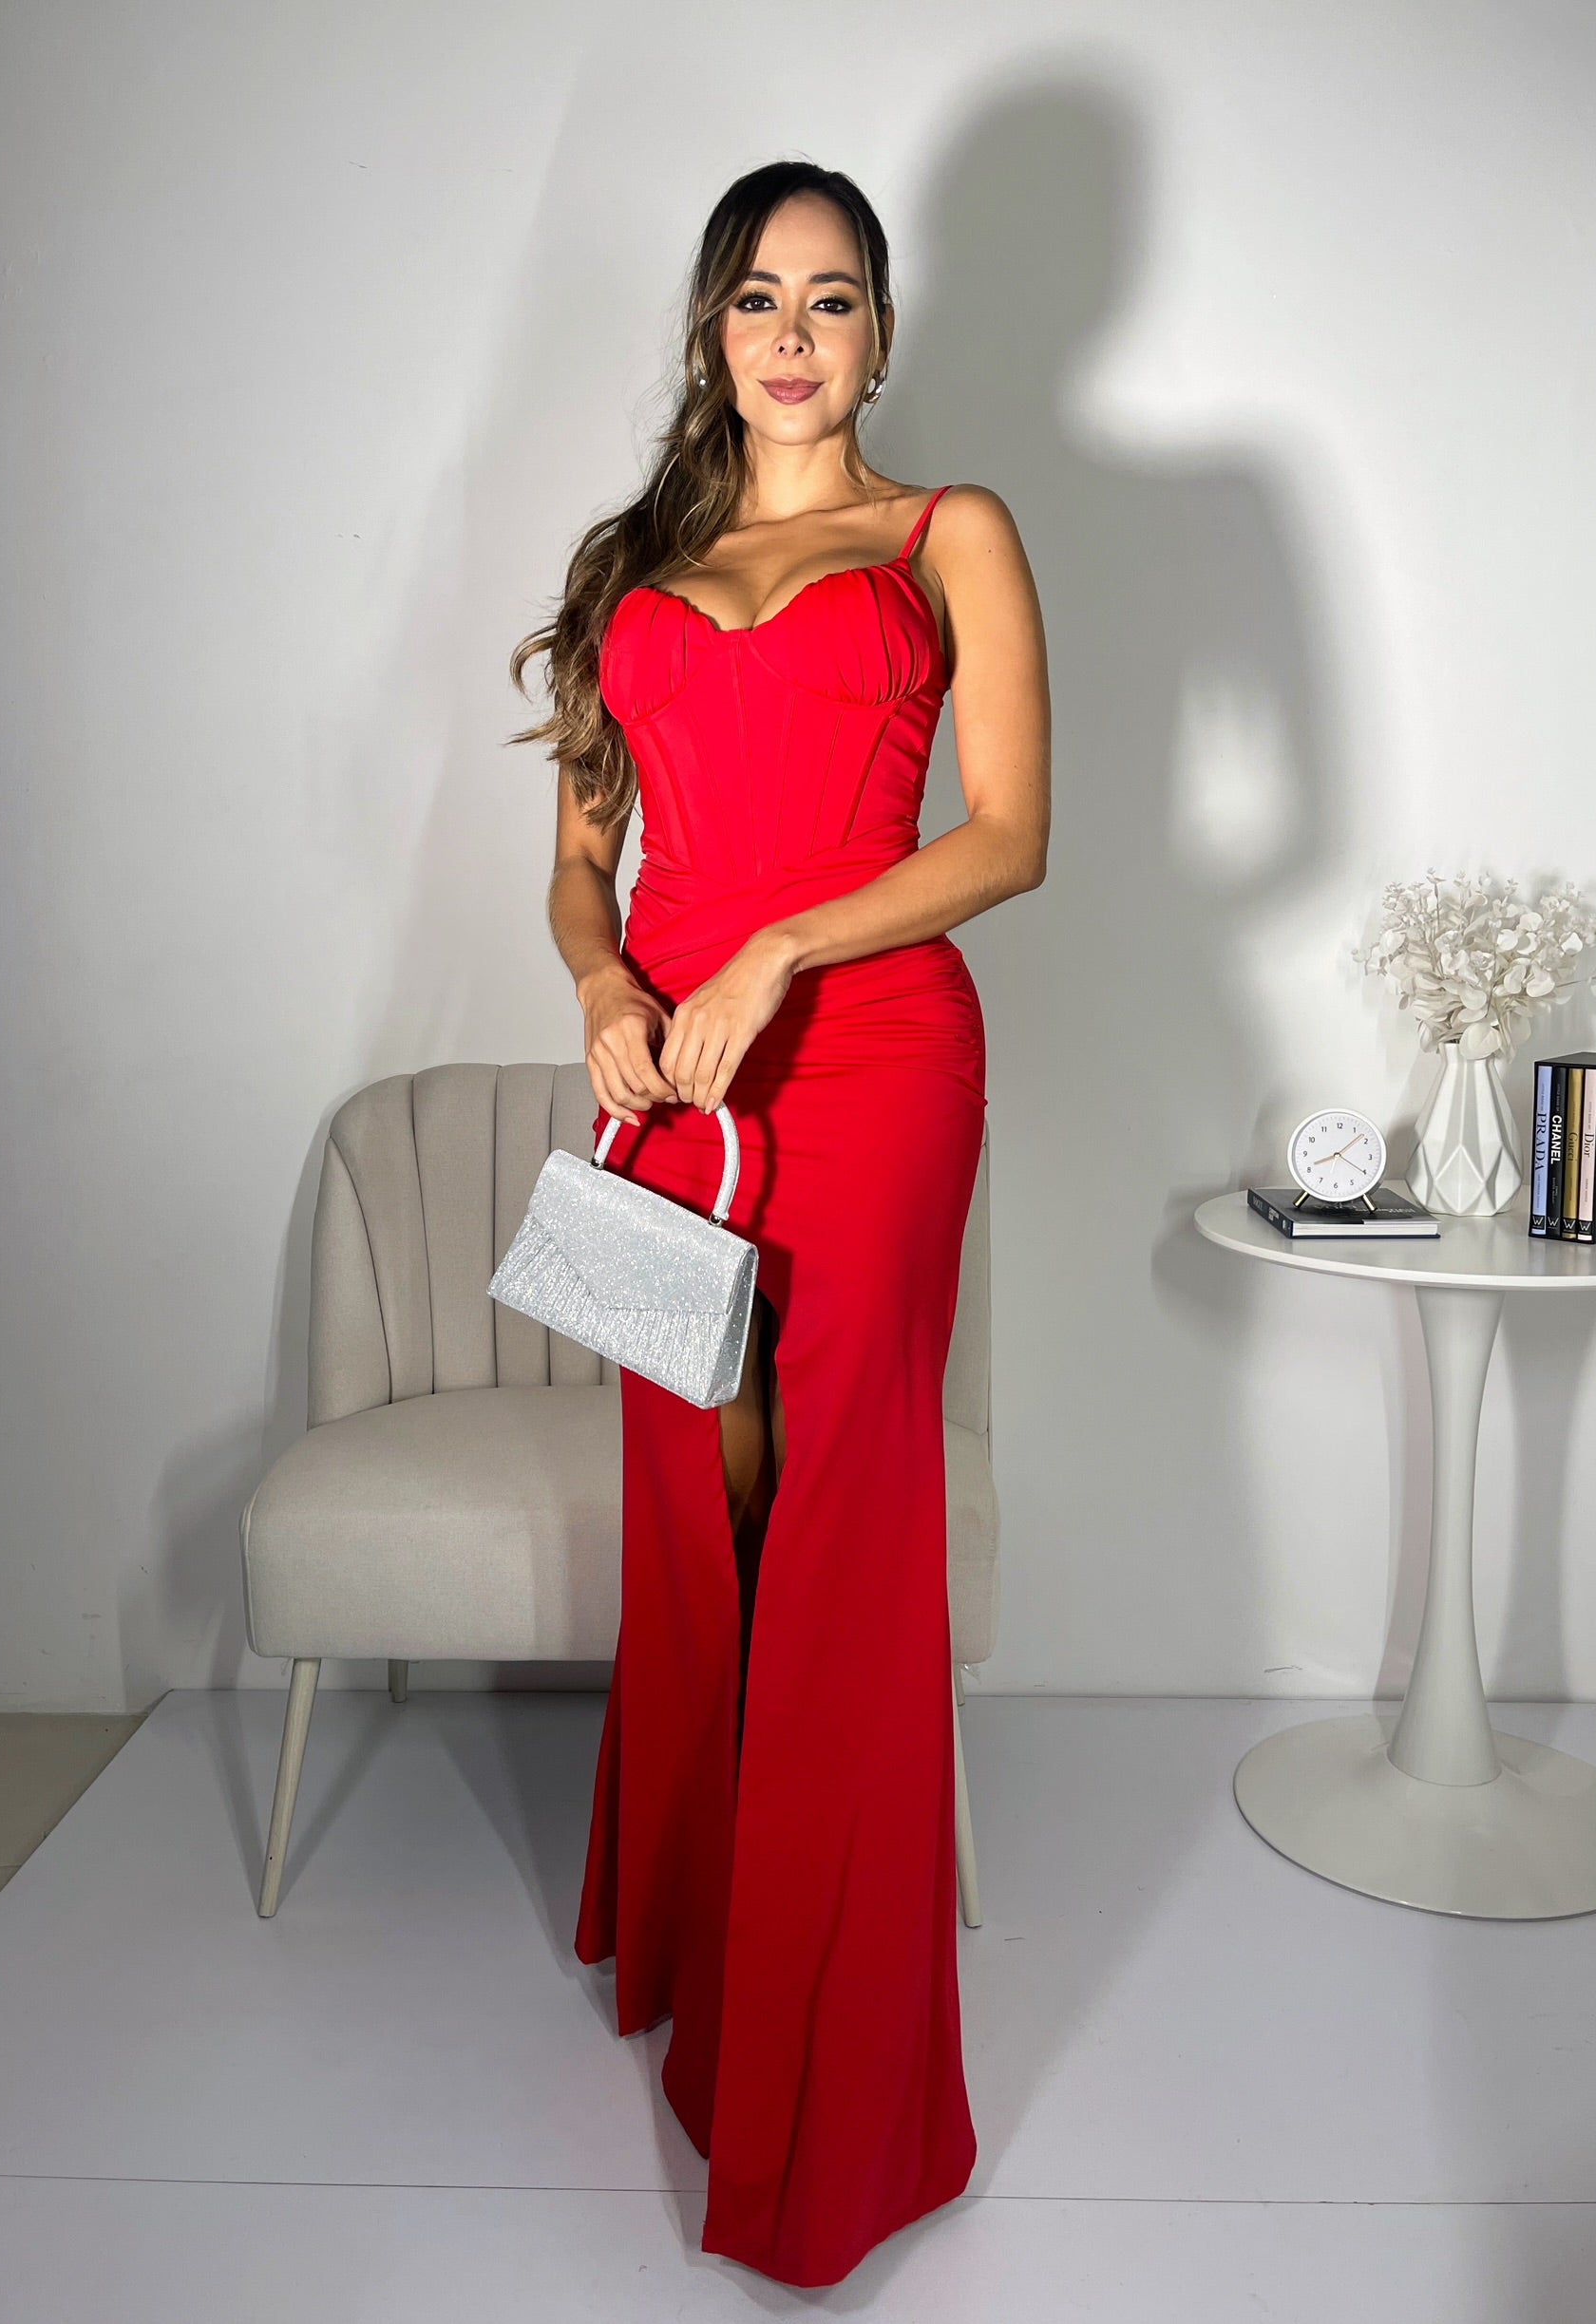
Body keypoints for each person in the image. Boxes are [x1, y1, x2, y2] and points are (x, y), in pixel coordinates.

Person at [508, 156, 1050, 2289]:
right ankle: (703, 1942)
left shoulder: (947, 534)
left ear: (882, 336)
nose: (795, 334)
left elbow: (1011, 837)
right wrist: (604, 985)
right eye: (758, 296)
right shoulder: (625, 564)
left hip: (878, 1054)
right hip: (671, 1081)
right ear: (712, 330)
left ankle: (828, 2087)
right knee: (693, 1492)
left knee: (835, 1520)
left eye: (833, 298)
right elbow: (583, 864)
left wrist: (781, 950)